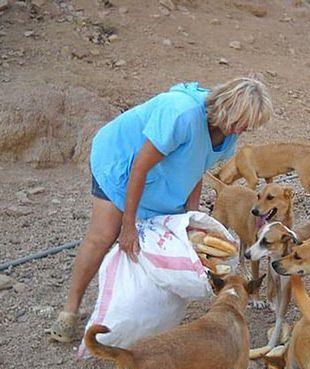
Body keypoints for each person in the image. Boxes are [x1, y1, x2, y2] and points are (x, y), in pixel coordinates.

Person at [48, 77, 273, 342]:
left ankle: (131, 318)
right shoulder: (181, 114)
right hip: (119, 162)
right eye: (241, 121)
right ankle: (70, 311)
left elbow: (195, 169)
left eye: (248, 125)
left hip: (158, 181)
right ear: (227, 108)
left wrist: (190, 219)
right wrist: (129, 225)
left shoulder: (228, 137)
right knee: (104, 235)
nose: (243, 129)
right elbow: (139, 167)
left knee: (164, 246)